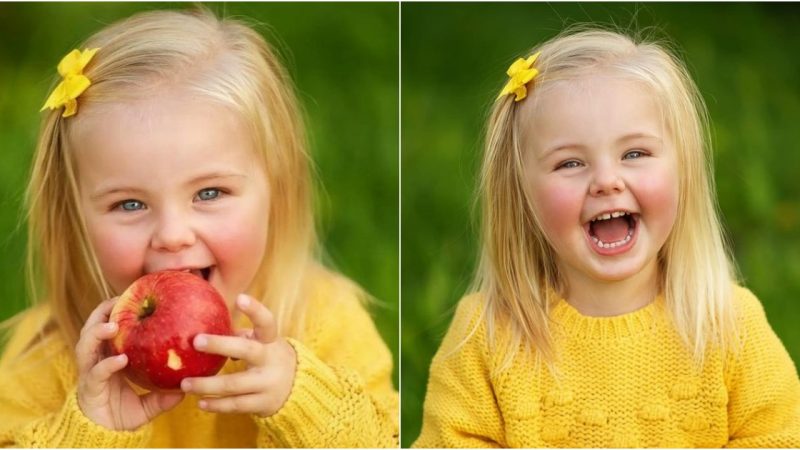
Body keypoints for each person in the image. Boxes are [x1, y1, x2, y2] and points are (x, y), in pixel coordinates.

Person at [0, 7, 397, 448]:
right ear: (72, 217)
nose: (173, 234)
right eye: (129, 203)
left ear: (277, 192)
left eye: (209, 193)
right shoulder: (52, 355)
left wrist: (302, 401)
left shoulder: (322, 320)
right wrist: (90, 430)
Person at [414, 27, 800, 447]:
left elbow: (780, 436)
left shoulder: (729, 325)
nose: (606, 181)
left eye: (634, 154)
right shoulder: (488, 336)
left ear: (683, 170)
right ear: (520, 193)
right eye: (570, 163)